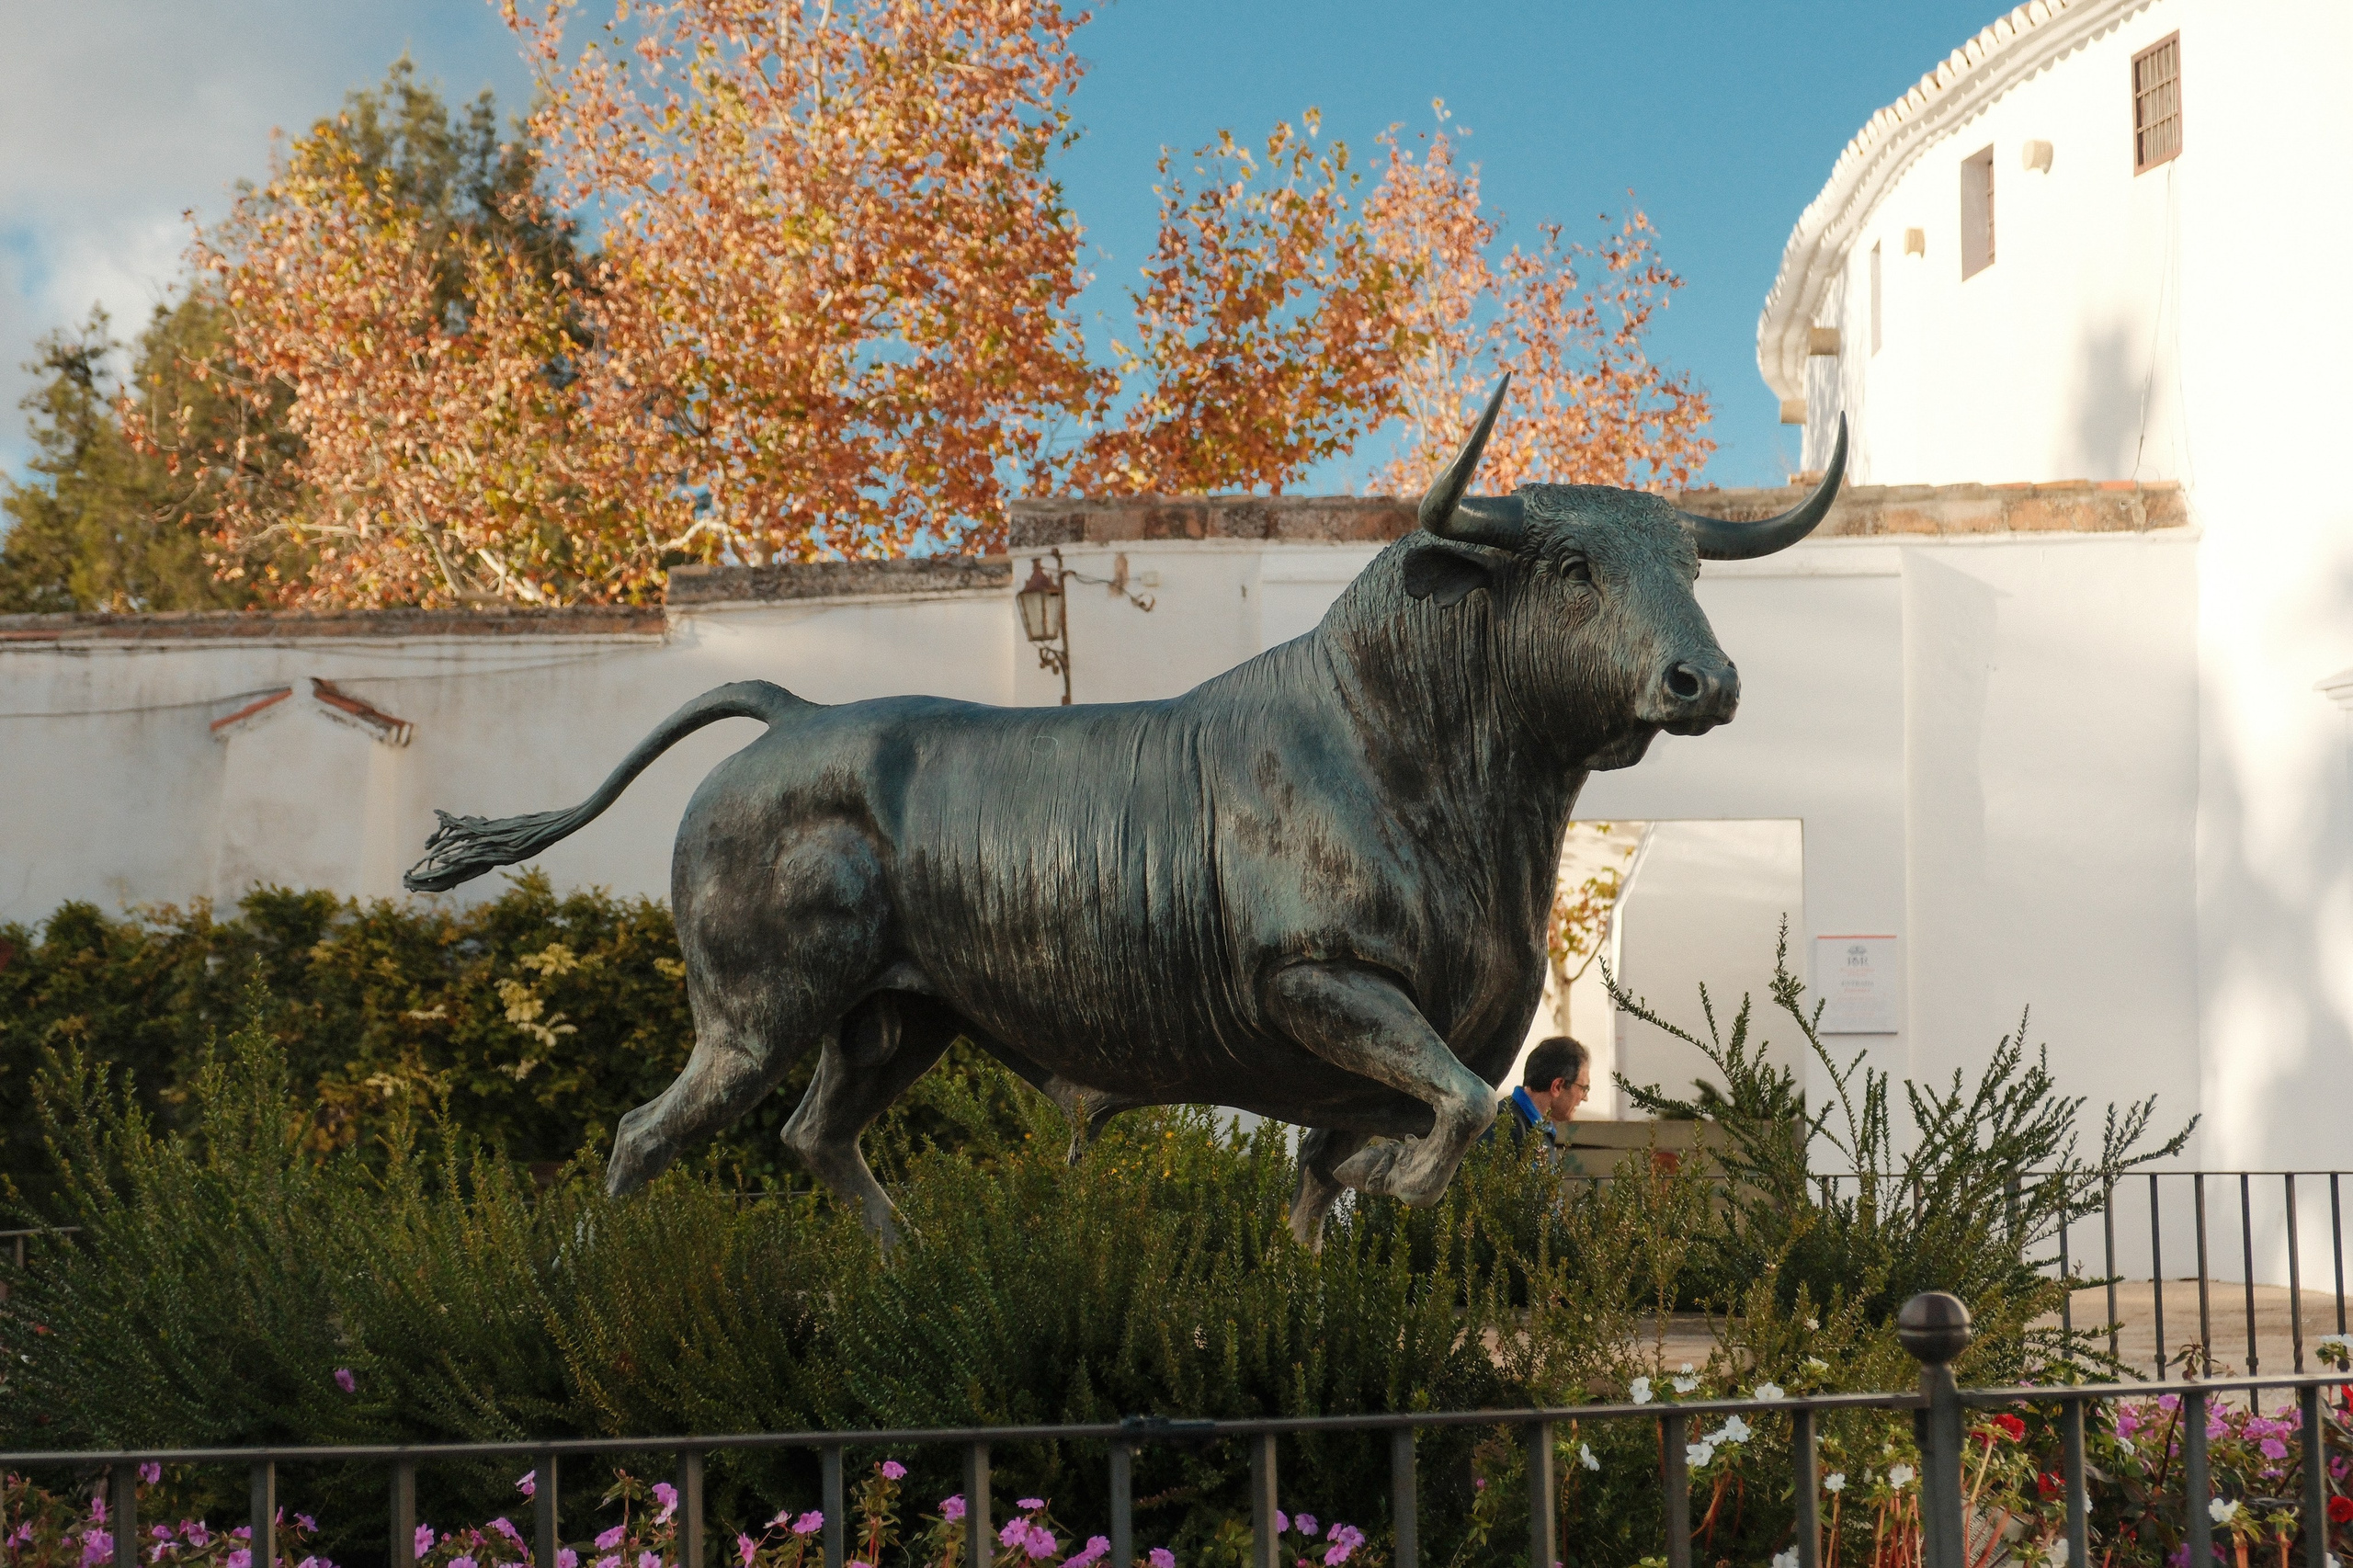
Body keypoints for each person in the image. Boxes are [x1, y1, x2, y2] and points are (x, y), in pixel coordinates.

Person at [1493, 1035, 1591, 1165]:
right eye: (1583, 1088)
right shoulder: (1503, 1128)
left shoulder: (1541, 1129)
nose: (1585, 1098)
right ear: (1557, 1086)